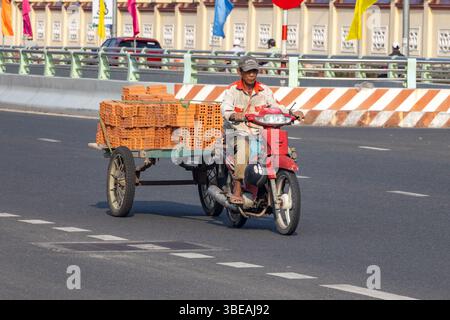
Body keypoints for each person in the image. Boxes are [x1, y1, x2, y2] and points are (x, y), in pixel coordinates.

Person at [221, 56, 304, 204]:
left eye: (254, 71)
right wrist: (234, 115)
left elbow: (277, 106)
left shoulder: (264, 90)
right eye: (248, 71)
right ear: (240, 72)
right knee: (244, 149)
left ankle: (268, 185)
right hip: (236, 131)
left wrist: (292, 113)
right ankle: (238, 187)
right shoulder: (232, 90)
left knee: (283, 150)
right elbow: (225, 109)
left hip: (260, 132)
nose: (251, 75)